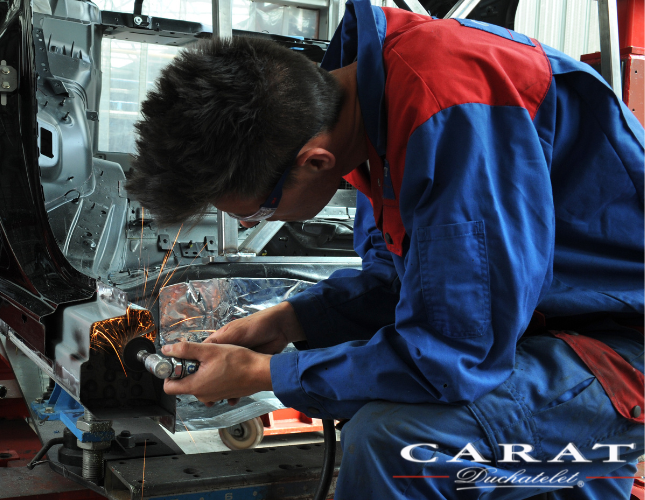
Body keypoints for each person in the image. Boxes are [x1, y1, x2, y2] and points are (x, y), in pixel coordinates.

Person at [125, 0, 645, 497]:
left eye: (255, 212)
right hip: (550, 330)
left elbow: (454, 352)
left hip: (619, 349)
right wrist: (287, 322)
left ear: (315, 162)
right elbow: (416, 283)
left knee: (392, 439)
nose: (252, 222)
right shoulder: (368, 107)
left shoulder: (446, 115)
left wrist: (265, 374)